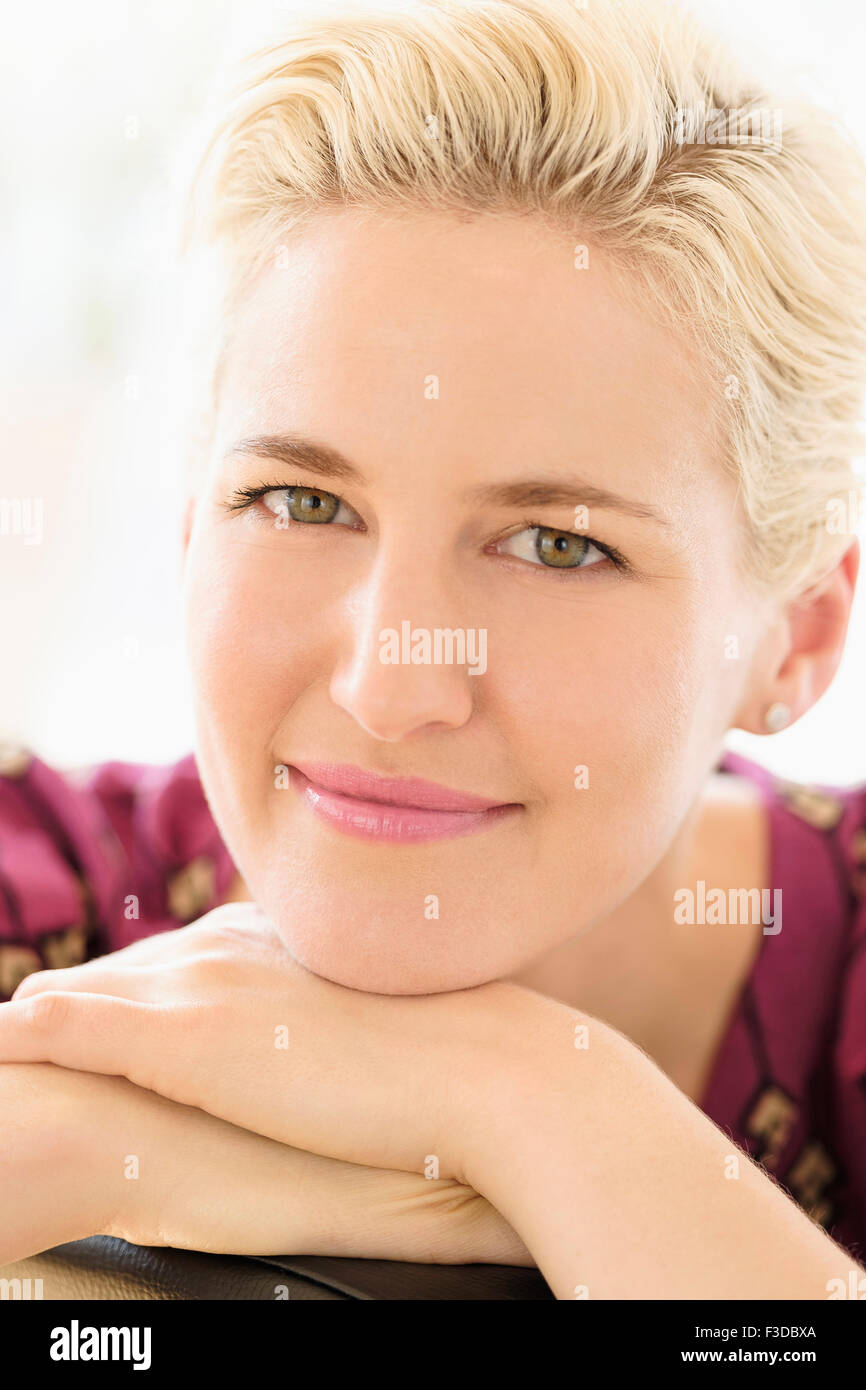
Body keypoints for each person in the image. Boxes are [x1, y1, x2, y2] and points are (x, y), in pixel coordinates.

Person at [1, 0, 866, 1299]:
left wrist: (533, 1100)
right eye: (302, 502)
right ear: (189, 536)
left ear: (792, 637)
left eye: (555, 544)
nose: (389, 684)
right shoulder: (54, 883)